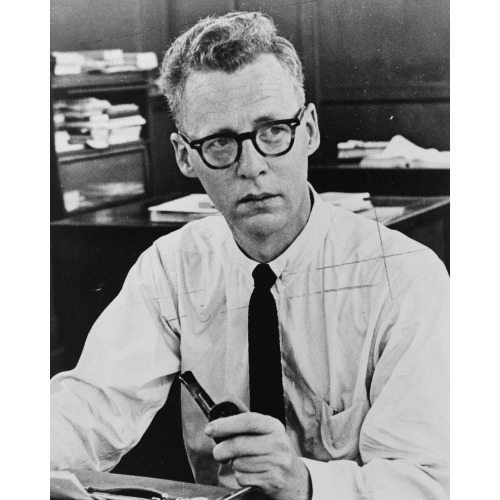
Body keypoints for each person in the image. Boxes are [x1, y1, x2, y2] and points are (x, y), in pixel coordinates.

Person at [51, 11, 449, 500]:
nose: (253, 166)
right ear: (184, 156)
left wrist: (304, 483)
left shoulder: (406, 277)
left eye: (273, 131)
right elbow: (93, 405)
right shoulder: (172, 268)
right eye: (220, 142)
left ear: (309, 130)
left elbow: (429, 483)